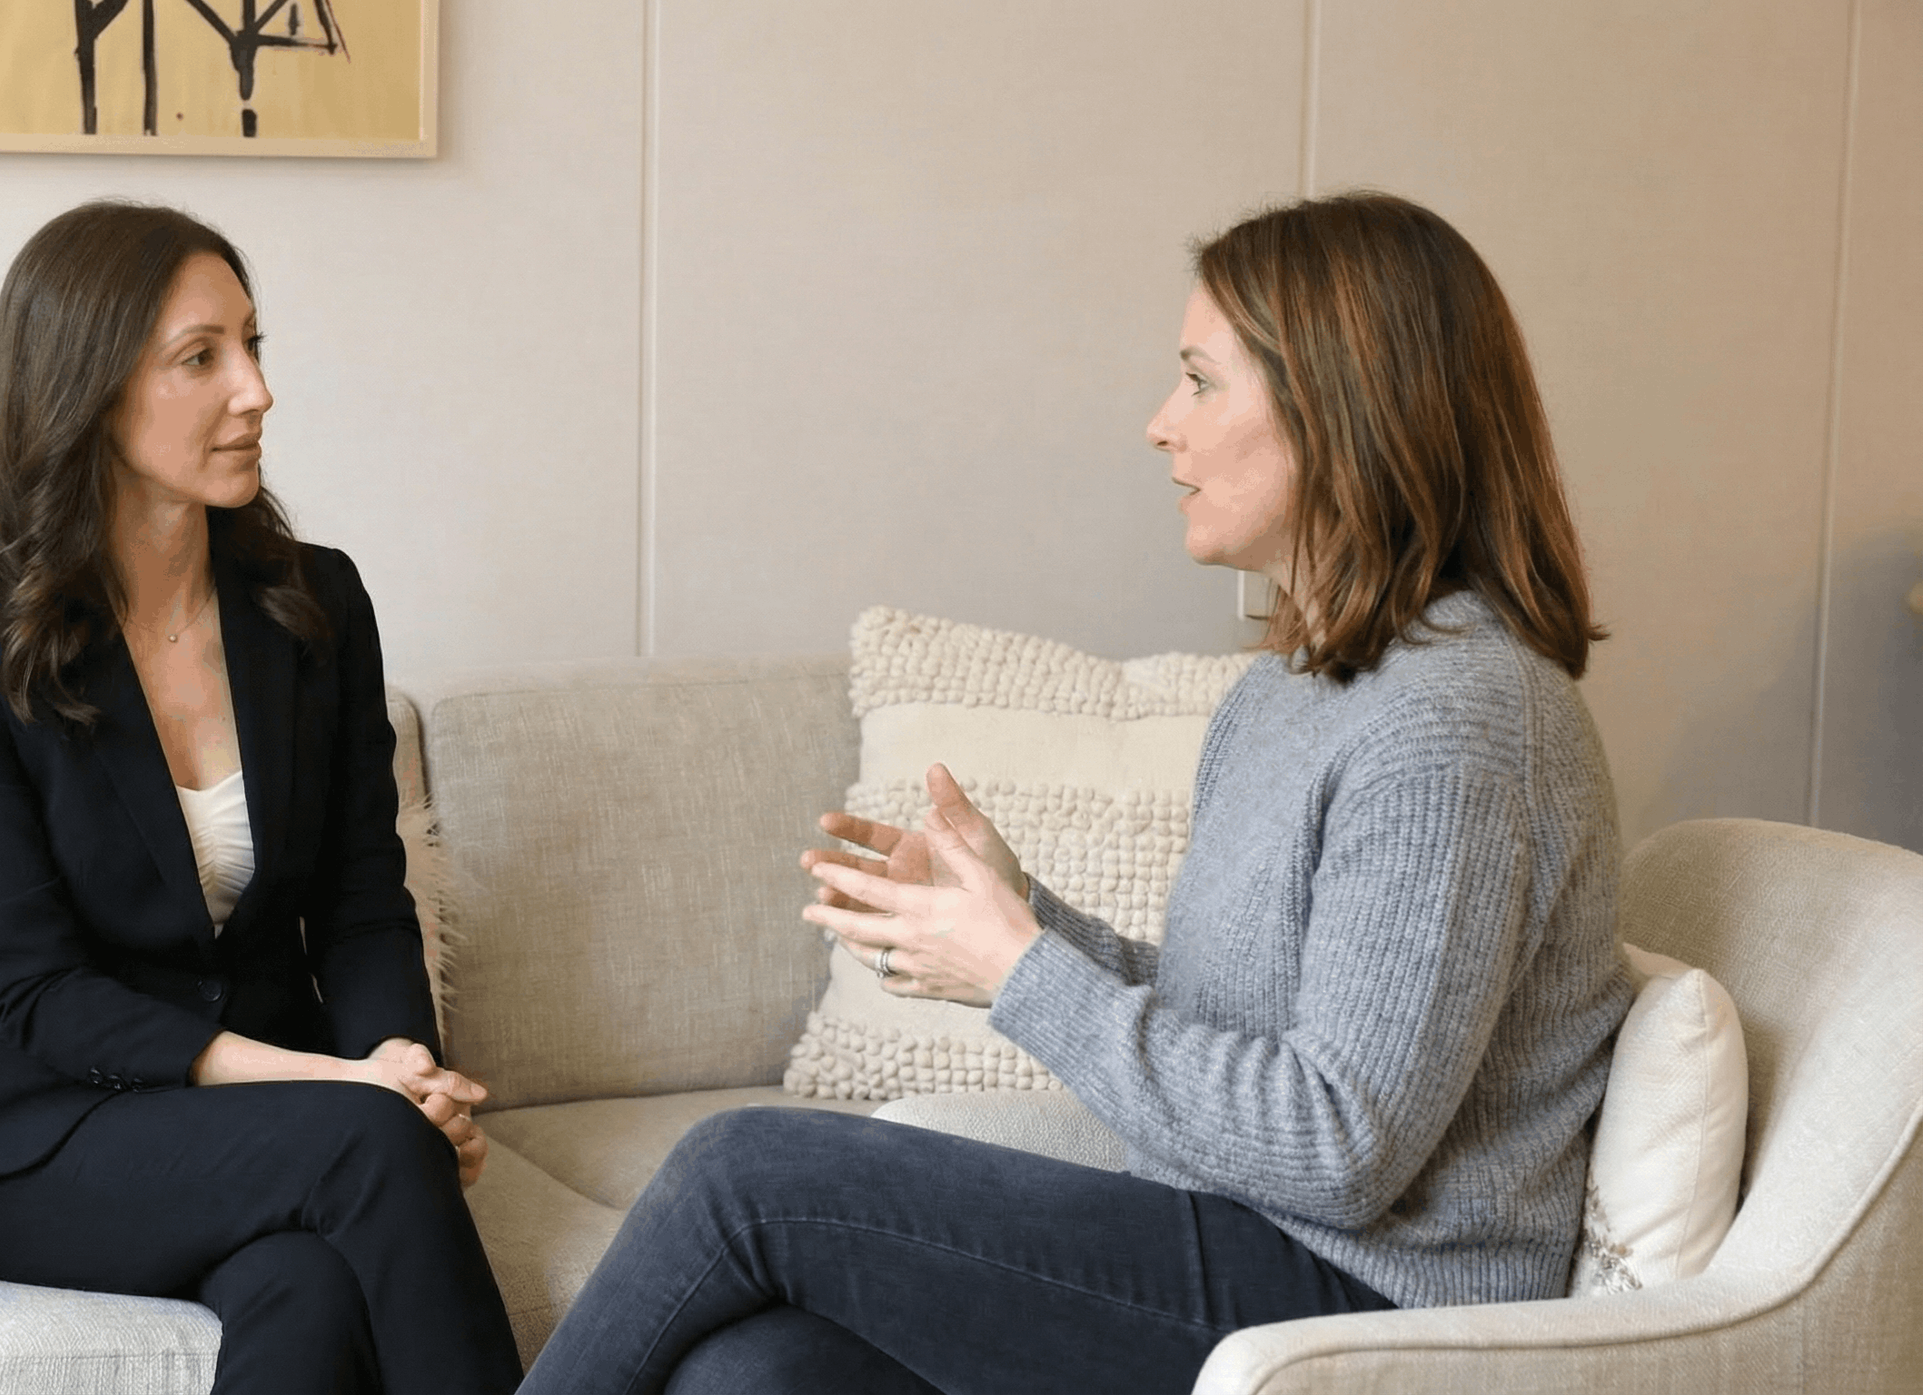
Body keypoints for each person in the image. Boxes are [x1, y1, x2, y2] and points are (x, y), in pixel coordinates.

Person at [518, 192, 1635, 1394]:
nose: (1162, 426)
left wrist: (1017, 972)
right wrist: (1023, 917)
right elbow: (1247, 1025)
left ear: (1343, 409)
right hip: (1235, 1233)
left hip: (1363, 1304)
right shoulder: (1291, 692)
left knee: (742, 1173)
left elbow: (1339, 1145)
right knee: (753, 1375)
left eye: (1200, 382)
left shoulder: (1459, 721)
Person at [0, 200, 523, 1395]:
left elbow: (361, 899)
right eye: (201, 357)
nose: (255, 391)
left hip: (262, 1136)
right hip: (36, 1138)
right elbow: (33, 989)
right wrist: (352, 1090)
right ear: (87, 388)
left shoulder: (314, 605)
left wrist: (401, 1061)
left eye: (253, 345)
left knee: (310, 1287)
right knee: (372, 1147)